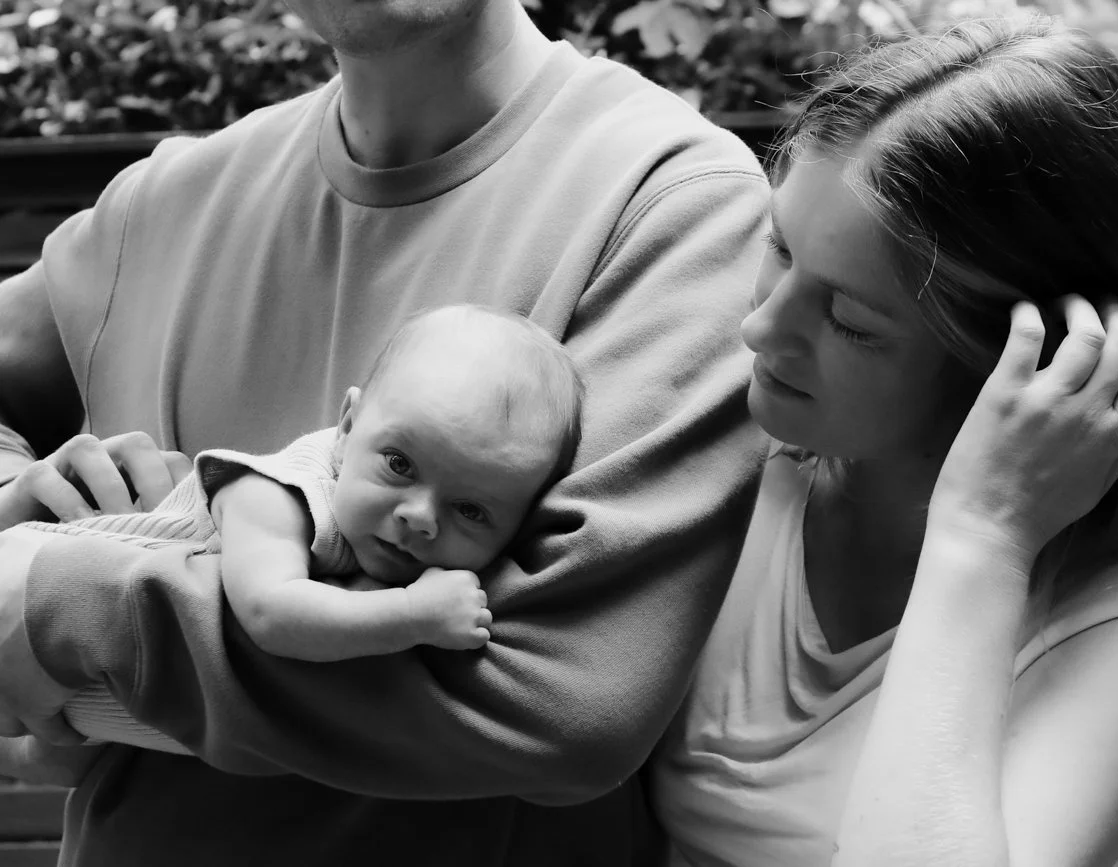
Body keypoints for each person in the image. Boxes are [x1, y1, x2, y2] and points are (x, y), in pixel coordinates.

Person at [0, 0, 770, 863]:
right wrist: (16, 495)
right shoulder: (163, 201)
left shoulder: (672, 204)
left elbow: (559, 703)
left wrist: (50, 601)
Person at [652, 17, 1118, 867]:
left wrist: (983, 538)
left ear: (1042, 359)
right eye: (779, 247)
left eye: (848, 319)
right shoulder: (745, 470)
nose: (763, 325)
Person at [0, 304, 582, 776]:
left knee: (49, 751)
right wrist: (411, 613)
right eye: (400, 465)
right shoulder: (277, 493)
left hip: (98, 700)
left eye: (472, 510)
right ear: (348, 427)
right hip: (29, 592)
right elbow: (269, 613)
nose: (420, 516)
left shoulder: (385, 524)